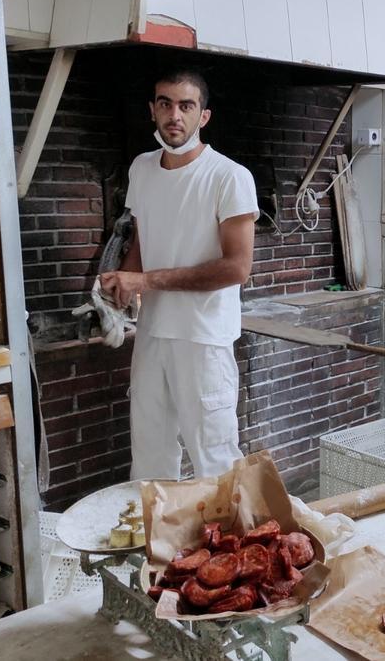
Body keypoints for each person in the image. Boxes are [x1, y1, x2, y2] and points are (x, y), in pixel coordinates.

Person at [100, 69, 259, 480]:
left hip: (203, 338)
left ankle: (231, 545)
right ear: (152, 111)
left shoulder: (229, 177)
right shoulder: (142, 168)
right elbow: (143, 236)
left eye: (186, 106)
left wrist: (146, 282)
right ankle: (157, 543)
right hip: (153, 333)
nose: (175, 115)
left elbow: (238, 268)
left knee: (216, 460)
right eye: (166, 104)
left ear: (203, 116)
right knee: (150, 454)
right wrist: (122, 287)